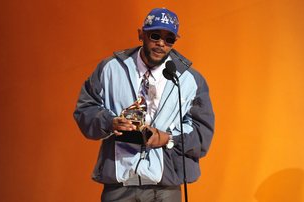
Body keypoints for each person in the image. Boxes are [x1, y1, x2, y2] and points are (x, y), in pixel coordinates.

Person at [73, 8, 215, 202]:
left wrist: (168, 139)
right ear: (141, 34)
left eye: (169, 39)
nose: (161, 44)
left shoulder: (190, 80)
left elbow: (202, 134)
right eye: (155, 35)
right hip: (119, 184)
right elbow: (85, 110)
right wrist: (110, 122)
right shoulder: (110, 69)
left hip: (165, 187)